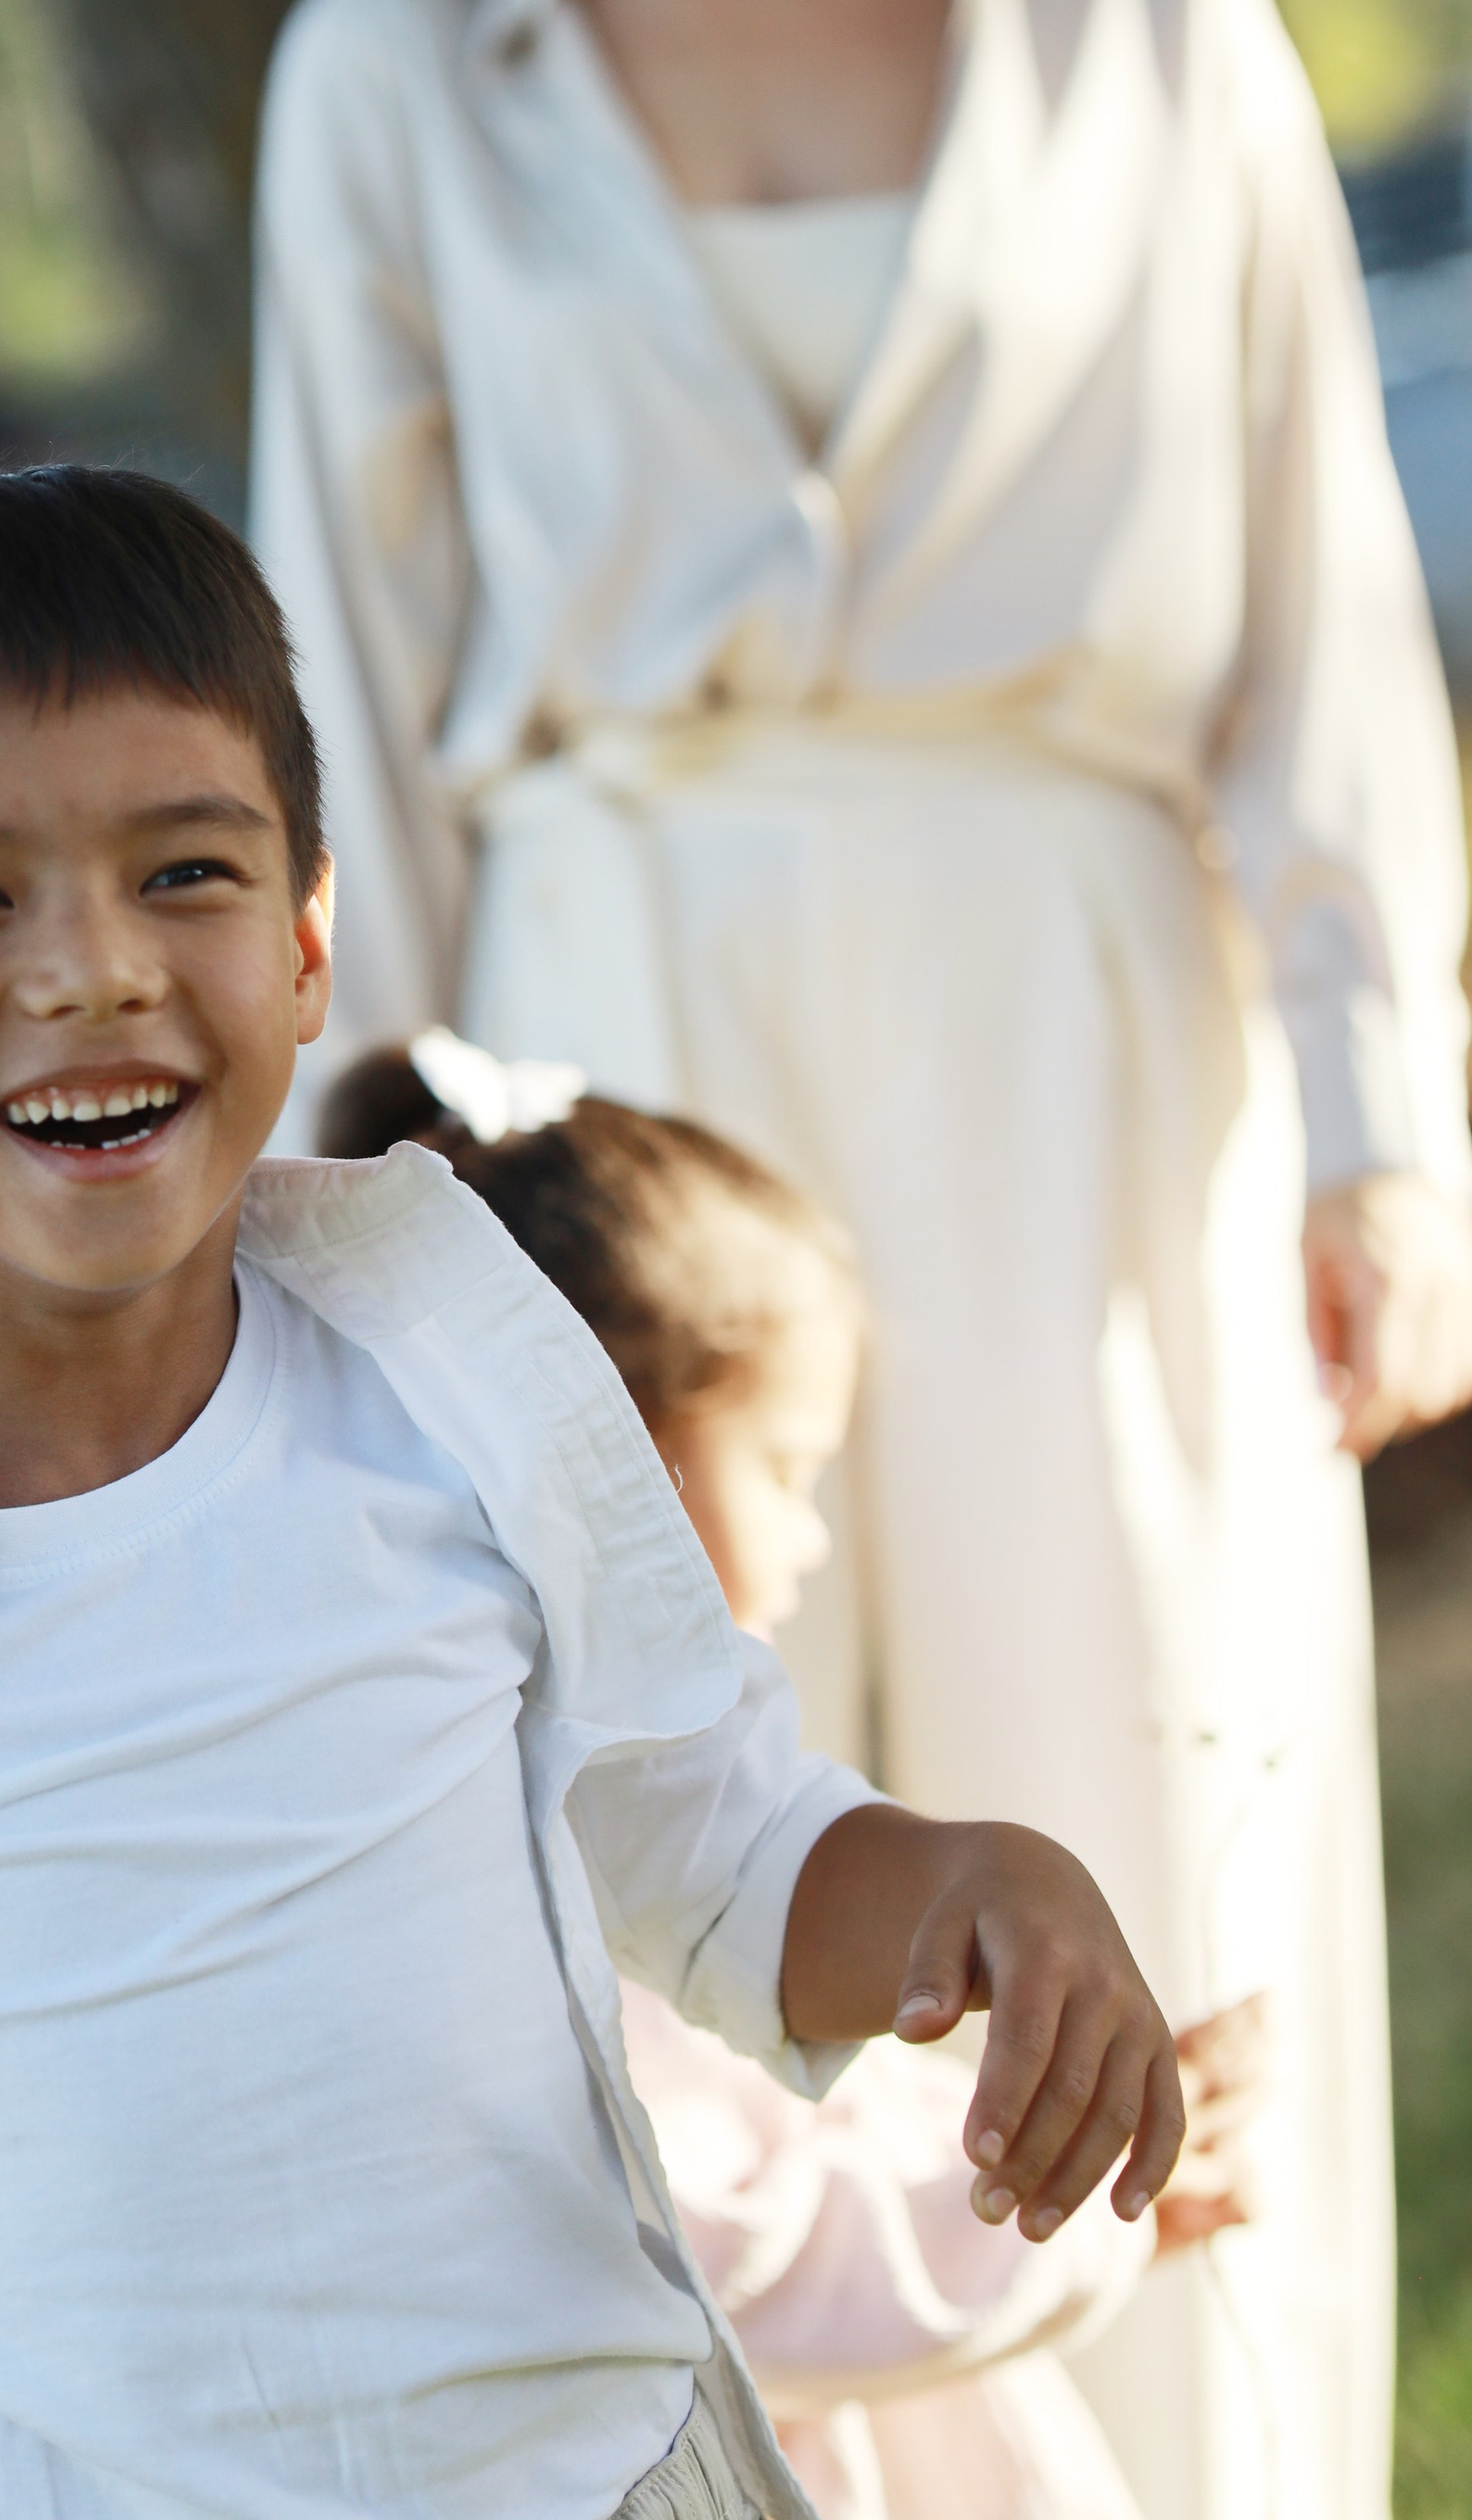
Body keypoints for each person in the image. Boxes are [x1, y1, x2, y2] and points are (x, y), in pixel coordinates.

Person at [247, 0, 1472, 2511]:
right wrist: (317, 1255)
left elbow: (1319, 617)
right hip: (613, 1077)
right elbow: (343, 728)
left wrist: (1391, 1124)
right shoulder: (399, 57)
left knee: (1140, 1806)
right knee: (708, 1892)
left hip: (1101, 1061)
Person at [0, 463, 1183, 2520]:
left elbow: (722, 1849)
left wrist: (975, 1892)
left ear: (306, 944)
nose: (95, 970)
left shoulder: (448, 1368)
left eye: (184, 874)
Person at [325, 1030, 1261, 2520]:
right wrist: (1075, 2230)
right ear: (625, 1468)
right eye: (785, 1471)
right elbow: (741, 2254)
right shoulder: (555, 1855)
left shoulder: (674, 1810)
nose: (813, 1540)